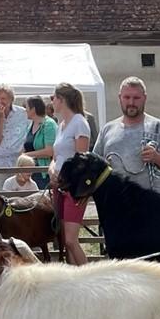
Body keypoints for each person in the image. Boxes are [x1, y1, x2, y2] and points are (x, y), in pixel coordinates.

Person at [91, 76, 160, 196]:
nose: (131, 102)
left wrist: (156, 157)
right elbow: (93, 167)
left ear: (144, 98)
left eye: (136, 98)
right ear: (120, 98)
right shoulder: (107, 130)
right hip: (117, 206)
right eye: (127, 97)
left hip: (152, 208)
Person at [47, 82, 92, 264]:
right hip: (60, 187)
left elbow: (82, 160)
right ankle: (77, 279)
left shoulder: (79, 123)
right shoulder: (61, 125)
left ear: (61, 99)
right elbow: (56, 156)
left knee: (71, 240)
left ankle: (90, 279)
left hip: (73, 188)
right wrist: (52, 171)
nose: (51, 102)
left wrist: (66, 178)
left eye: (53, 98)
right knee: (67, 240)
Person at [0, 83, 30, 171]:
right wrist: (1, 118)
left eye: (3, 98)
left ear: (11, 100)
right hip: (0, 163)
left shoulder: (23, 113)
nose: (0, 101)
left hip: (19, 163)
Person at [24, 95, 58, 188]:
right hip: (30, 172)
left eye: (26, 107)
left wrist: (26, 155)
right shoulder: (30, 125)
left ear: (33, 109)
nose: (25, 110)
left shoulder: (49, 124)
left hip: (43, 174)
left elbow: (50, 151)